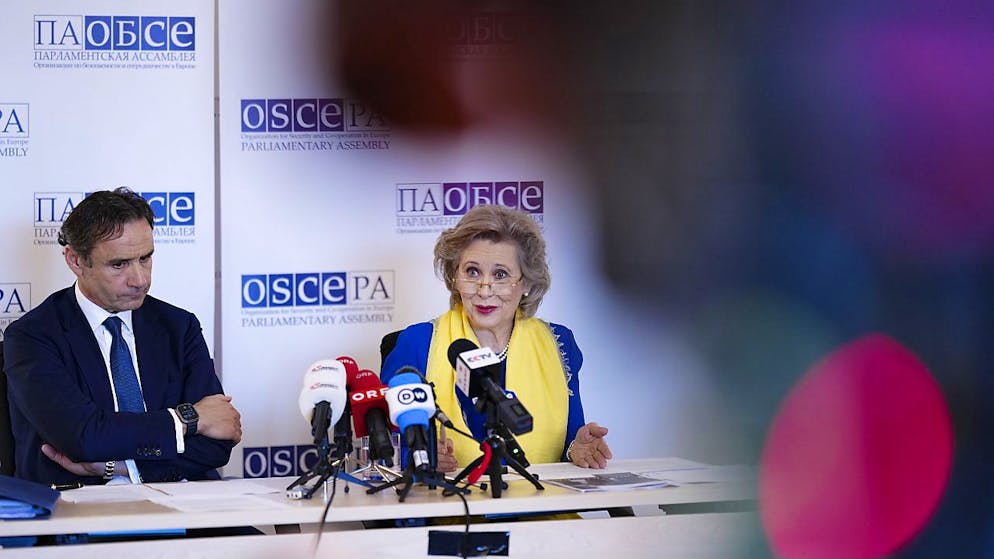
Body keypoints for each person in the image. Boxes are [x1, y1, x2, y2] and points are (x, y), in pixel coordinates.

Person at [3, 187, 242, 486]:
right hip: (79, 513)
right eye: (119, 265)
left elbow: (218, 441)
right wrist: (185, 419)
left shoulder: (179, 326)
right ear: (76, 260)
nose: (140, 279)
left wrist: (120, 468)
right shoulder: (32, 336)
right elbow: (83, 437)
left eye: (145, 258)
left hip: (183, 504)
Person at [381, 204, 611, 472]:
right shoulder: (417, 343)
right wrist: (419, 457)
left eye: (500, 275)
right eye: (472, 272)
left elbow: (567, 437)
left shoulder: (560, 343)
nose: (484, 289)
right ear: (454, 277)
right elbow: (388, 447)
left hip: (544, 505)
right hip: (455, 505)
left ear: (526, 284)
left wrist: (576, 448)